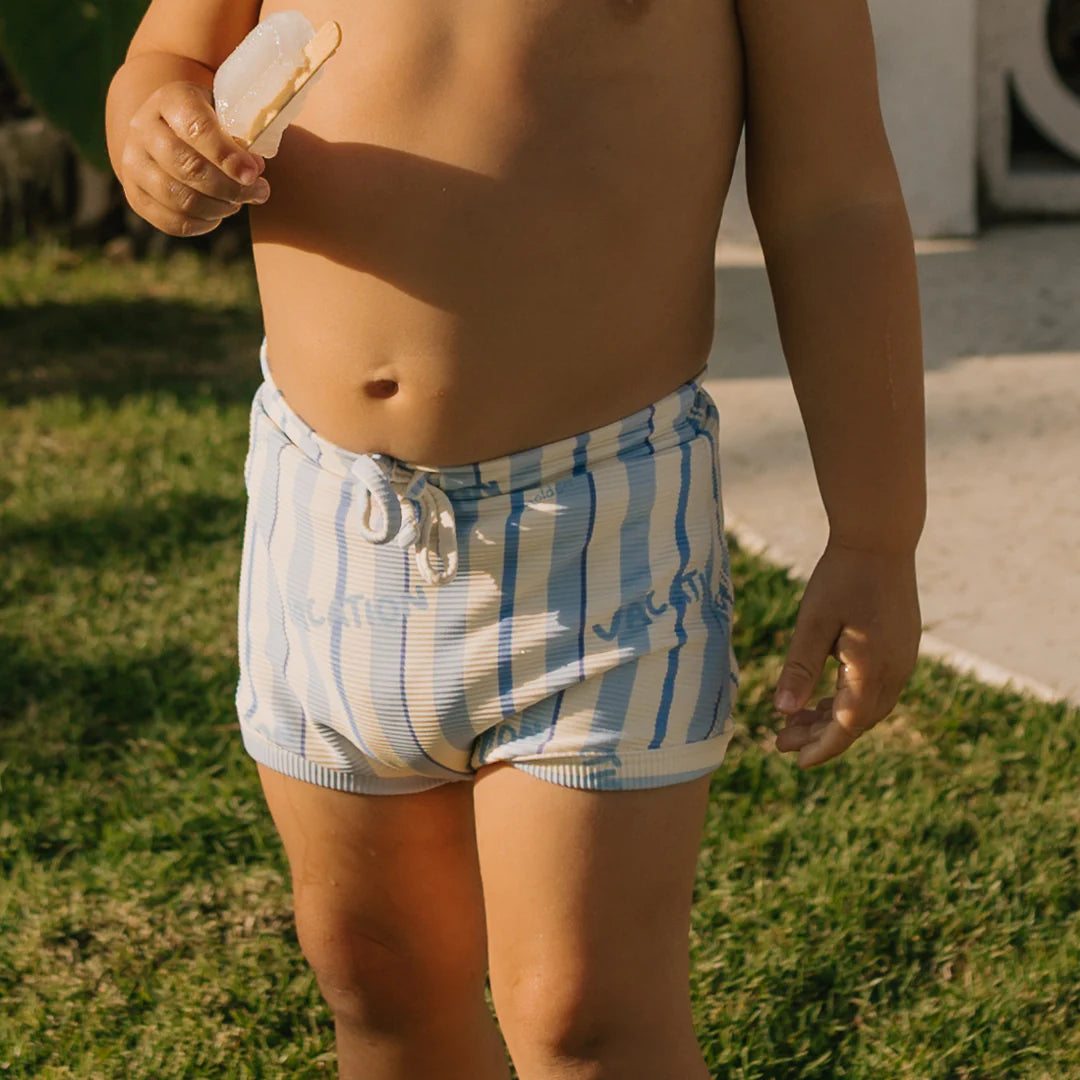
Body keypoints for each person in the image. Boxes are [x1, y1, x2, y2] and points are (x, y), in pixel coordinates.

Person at [105, 1, 925, 1076]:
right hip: (328, 515)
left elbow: (836, 202)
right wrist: (156, 126)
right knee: (375, 974)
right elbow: (168, 55)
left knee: (586, 1014)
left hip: (596, 536)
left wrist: (875, 534)